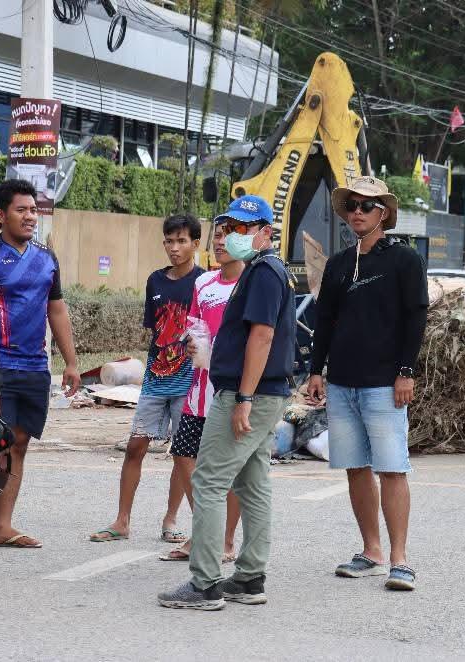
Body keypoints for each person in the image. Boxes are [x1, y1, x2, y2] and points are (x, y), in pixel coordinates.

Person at [158, 195, 296, 610]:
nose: (231, 235)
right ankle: (250, 578)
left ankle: (204, 583)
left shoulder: (264, 273)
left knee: (209, 481)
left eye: (240, 228)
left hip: (248, 392)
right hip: (263, 392)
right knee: (253, 483)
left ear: (265, 233)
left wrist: (244, 398)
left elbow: (262, 337)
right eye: (228, 227)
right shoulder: (264, 270)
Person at [304, 176, 428, 592]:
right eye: (352, 205)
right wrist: (316, 370)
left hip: (384, 384)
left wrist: (406, 371)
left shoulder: (404, 259)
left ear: (384, 213)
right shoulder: (339, 264)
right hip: (342, 383)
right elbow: (324, 321)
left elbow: (416, 317)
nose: (357, 212)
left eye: (366, 206)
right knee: (355, 468)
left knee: (392, 469)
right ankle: (371, 551)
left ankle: (400, 560)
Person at [0, 179, 81, 555]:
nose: (30, 216)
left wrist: (71, 362)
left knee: (18, 445)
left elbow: (56, 309)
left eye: (34, 209)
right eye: (22, 209)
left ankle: (2, 526)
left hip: (35, 368)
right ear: (1, 215)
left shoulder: (47, 258)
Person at [90, 215, 204, 544]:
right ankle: (122, 521)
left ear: (195, 243)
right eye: (169, 241)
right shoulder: (155, 280)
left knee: (184, 454)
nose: (174, 247)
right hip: (155, 379)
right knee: (135, 446)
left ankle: (173, 520)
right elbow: (156, 331)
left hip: (189, 381)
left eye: (181, 241)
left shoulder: (204, 282)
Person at [161, 219, 244, 564]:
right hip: (198, 388)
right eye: (218, 236)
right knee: (183, 454)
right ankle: (205, 530)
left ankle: (224, 540)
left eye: (229, 236)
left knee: (230, 470)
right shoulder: (203, 282)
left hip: (233, 389)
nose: (221, 242)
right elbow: (193, 327)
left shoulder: (252, 283)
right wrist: (191, 343)